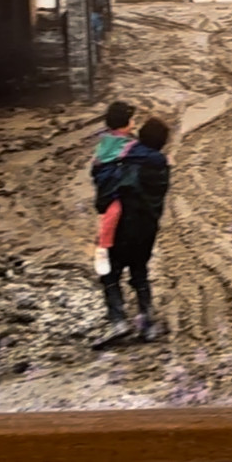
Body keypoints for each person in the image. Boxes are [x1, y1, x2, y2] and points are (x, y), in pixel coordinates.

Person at [93, 116, 172, 348]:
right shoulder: (162, 166)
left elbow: (105, 181)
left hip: (122, 224)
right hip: (147, 227)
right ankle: (147, 321)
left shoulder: (127, 158)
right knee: (140, 272)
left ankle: (119, 321)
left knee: (110, 273)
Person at [90, 101, 137, 277]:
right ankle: (102, 247)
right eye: (132, 119)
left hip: (115, 185)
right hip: (113, 187)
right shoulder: (121, 144)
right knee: (114, 212)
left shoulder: (109, 140)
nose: (134, 122)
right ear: (124, 123)